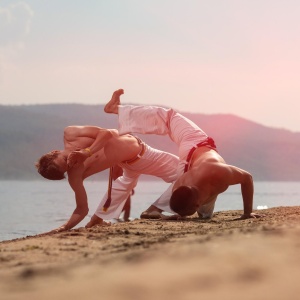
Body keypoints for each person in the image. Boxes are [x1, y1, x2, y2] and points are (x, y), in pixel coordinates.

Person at [103, 89, 263, 220]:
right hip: (195, 145)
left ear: (197, 203)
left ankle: (154, 209)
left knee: (168, 118)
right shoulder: (213, 173)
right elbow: (247, 178)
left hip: (192, 150)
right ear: (197, 203)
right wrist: (247, 213)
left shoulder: (189, 180)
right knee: (169, 117)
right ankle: (154, 209)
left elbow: (247, 178)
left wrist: (174, 214)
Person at [35, 90, 180, 233]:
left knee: (122, 186)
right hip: (141, 155)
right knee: (184, 172)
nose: (70, 164)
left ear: (55, 152)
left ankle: (97, 220)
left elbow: (106, 133)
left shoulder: (71, 133)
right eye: (66, 168)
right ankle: (155, 209)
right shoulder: (75, 175)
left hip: (128, 159)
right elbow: (81, 209)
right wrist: (64, 227)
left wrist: (86, 152)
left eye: (65, 160)